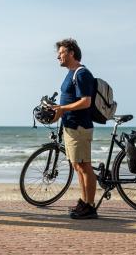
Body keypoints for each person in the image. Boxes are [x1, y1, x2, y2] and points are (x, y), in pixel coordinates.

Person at [51, 38, 98, 219]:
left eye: (61, 52)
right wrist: (57, 111)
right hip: (70, 127)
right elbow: (69, 100)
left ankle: (90, 206)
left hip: (80, 127)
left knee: (85, 167)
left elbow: (86, 102)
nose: (58, 56)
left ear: (71, 53)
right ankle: (84, 201)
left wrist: (63, 109)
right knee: (77, 166)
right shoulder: (70, 73)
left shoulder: (82, 73)